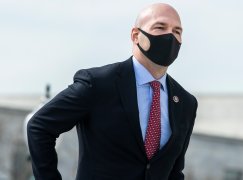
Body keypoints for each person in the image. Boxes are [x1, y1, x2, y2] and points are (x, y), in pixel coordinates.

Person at [27, 3, 198, 180]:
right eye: (160, 27)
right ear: (136, 35)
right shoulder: (98, 84)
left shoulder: (186, 103)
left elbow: (174, 171)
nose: (170, 35)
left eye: (177, 31)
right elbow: (39, 127)